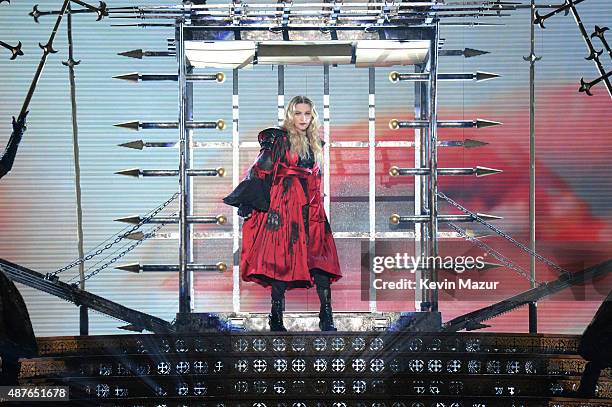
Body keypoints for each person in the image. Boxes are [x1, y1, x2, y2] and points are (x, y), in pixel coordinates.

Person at [224, 96, 342, 331]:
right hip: (285, 206)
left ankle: (326, 315)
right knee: (282, 260)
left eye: (307, 113)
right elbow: (261, 169)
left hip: (311, 205)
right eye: (298, 113)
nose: (303, 118)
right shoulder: (278, 139)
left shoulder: (316, 143)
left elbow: (315, 176)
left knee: (320, 259)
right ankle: (276, 317)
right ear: (291, 115)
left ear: (312, 115)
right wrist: (250, 202)